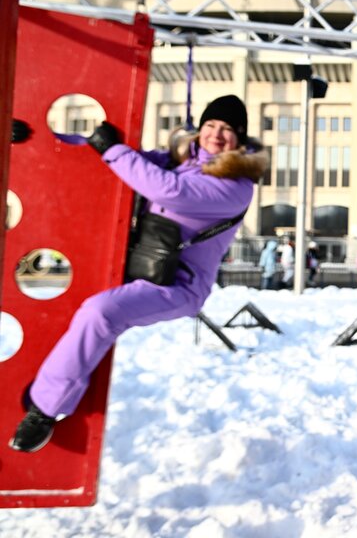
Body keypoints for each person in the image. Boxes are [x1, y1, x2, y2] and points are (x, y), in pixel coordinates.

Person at [9, 94, 266, 453]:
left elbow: (169, 191)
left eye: (227, 129)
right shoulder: (178, 161)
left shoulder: (236, 185)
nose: (216, 134)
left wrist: (114, 151)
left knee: (101, 312)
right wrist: (32, 139)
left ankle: (44, 411)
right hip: (133, 263)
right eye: (210, 125)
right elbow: (100, 161)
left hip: (177, 286)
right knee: (79, 313)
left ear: (239, 138)